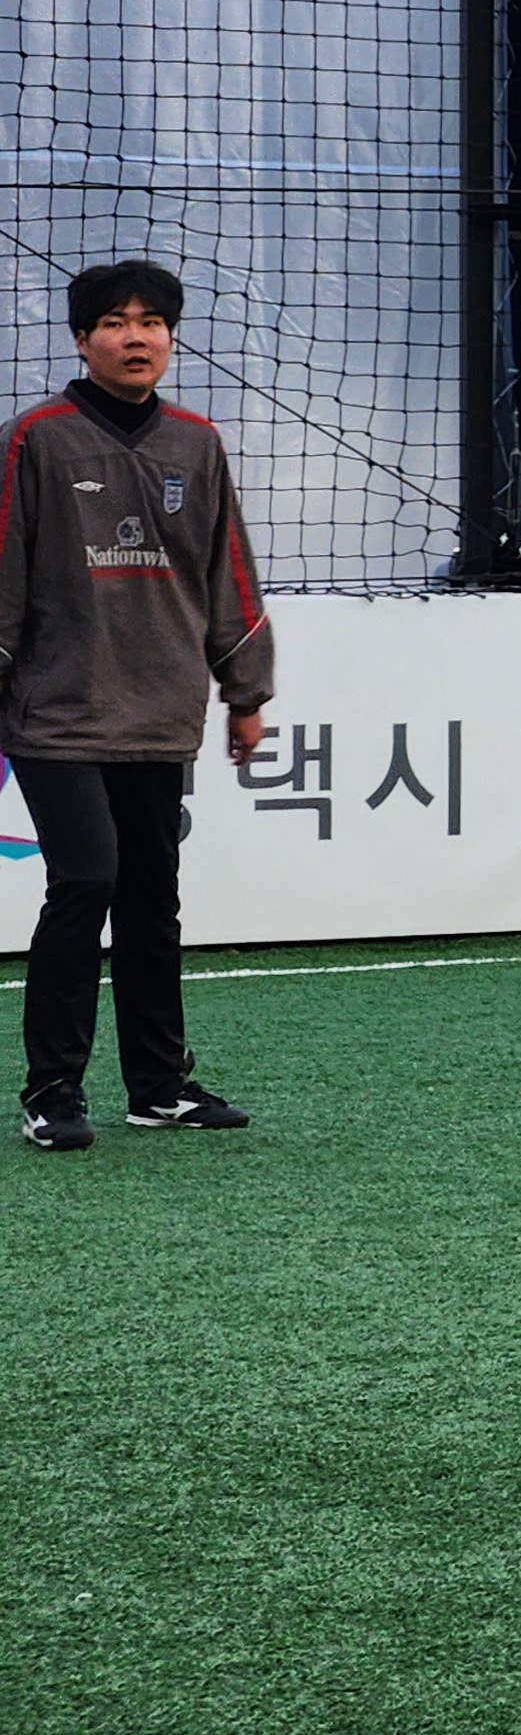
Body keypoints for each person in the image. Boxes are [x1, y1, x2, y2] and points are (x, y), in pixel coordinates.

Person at [6, 261, 271, 1152]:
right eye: (116, 322)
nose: (136, 337)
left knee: (152, 897)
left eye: (152, 322)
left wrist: (245, 691)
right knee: (87, 878)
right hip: (57, 712)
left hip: (160, 710)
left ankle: (159, 1088)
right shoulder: (34, 440)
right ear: (82, 339)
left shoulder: (198, 444)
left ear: (170, 337)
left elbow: (229, 573)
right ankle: (52, 1091)